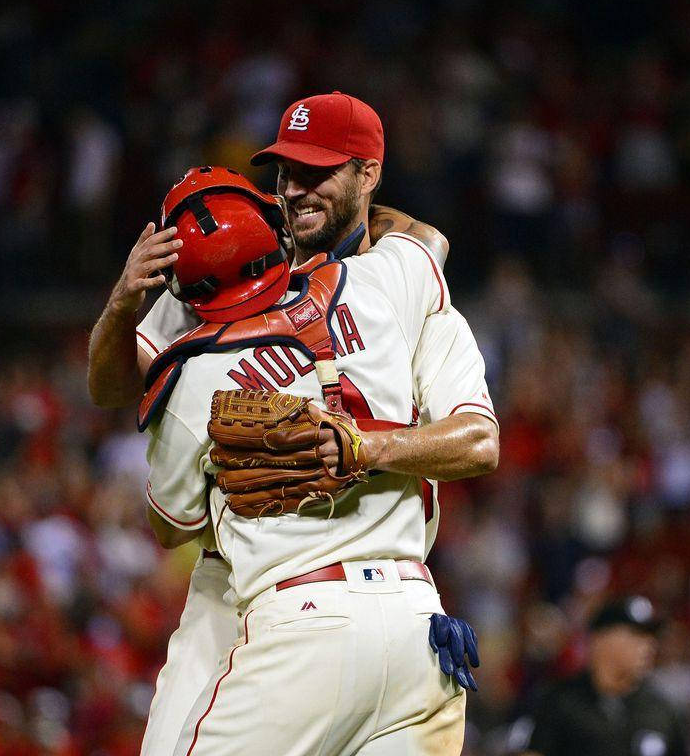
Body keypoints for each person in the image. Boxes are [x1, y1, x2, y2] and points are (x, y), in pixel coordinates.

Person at [85, 93, 486, 755]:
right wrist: (123, 303)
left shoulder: (381, 275)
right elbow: (107, 386)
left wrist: (363, 444)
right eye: (284, 173)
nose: (294, 189)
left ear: (368, 174)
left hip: (360, 571)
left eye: (315, 171)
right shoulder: (223, 271)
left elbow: (427, 245)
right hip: (243, 574)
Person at [514, 596, 688, 756]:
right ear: (599, 640)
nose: (649, 646)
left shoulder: (663, 710)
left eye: (651, 637)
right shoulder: (559, 702)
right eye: (636, 635)